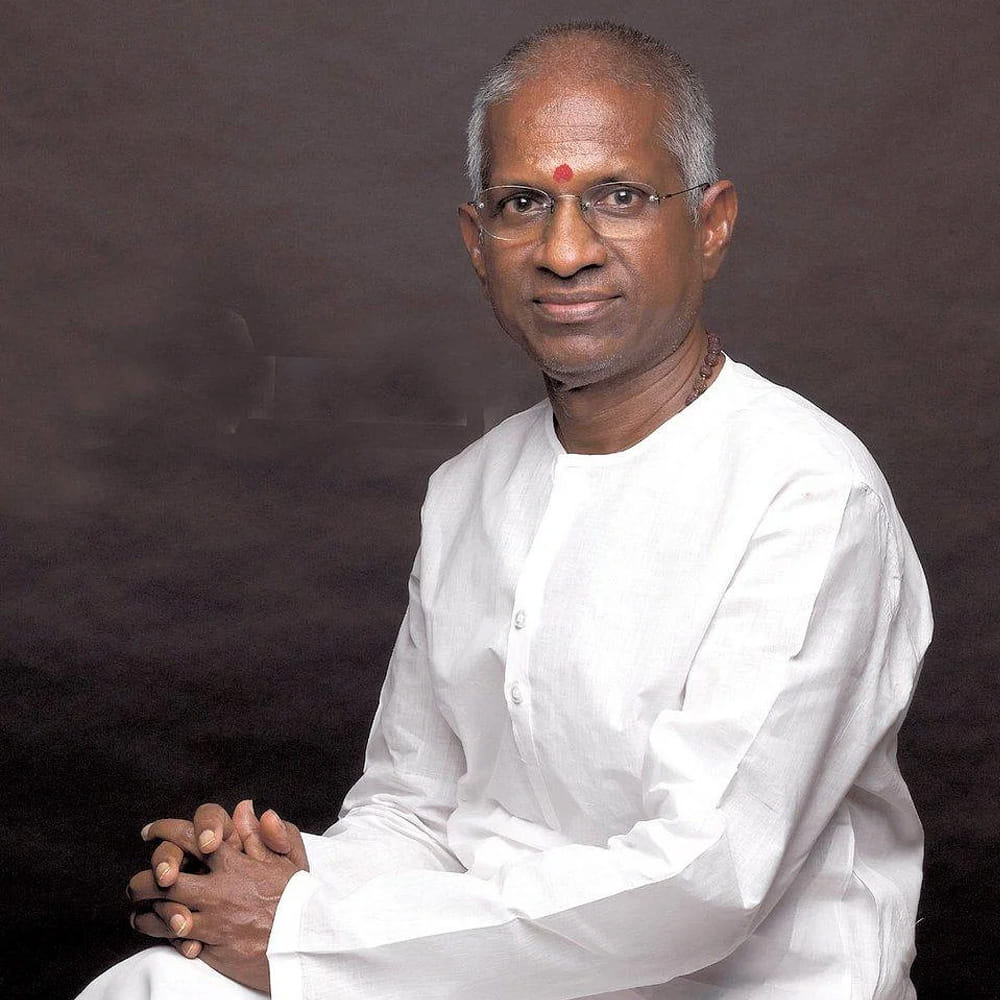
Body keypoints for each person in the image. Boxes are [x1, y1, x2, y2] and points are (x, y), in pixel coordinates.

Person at [79, 19, 932, 1000]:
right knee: (160, 983)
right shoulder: (468, 491)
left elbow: (701, 880)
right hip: (484, 975)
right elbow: (419, 811)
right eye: (525, 202)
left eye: (618, 196)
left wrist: (310, 929)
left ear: (711, 224)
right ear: (476, 243)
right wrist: (280, 880)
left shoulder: (806, 493)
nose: (565, 251)